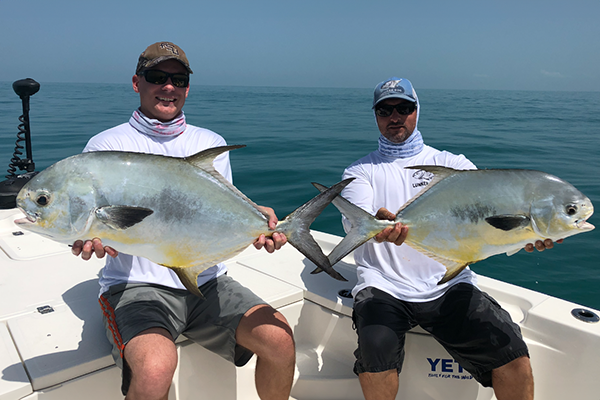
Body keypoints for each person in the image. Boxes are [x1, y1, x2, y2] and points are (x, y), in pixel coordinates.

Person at [71, 42, 294, 400]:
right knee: (156, 367)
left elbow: (219, 215)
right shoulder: (106, 146)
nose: (168, 86)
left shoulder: (209, 143)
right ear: (136, 82)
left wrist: (256, 223)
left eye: (179, 79)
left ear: (188, 87)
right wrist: (89, 238)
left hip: (206, 281)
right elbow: (91, 222)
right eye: (157, 76)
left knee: (280, 338)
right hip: (136, 286)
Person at [340, 77, 560, 400]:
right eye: (385, 110)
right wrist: (379, 227)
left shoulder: (453, 165)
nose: (395, 116)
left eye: (404, 107)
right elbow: (355, 218)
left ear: (417, 110)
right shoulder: (361, 171)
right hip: (383, 287)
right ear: (375, 116)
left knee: (514, 357)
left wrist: (524, 236)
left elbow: (490, 219)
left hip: (449, 284)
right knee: (376, 353)